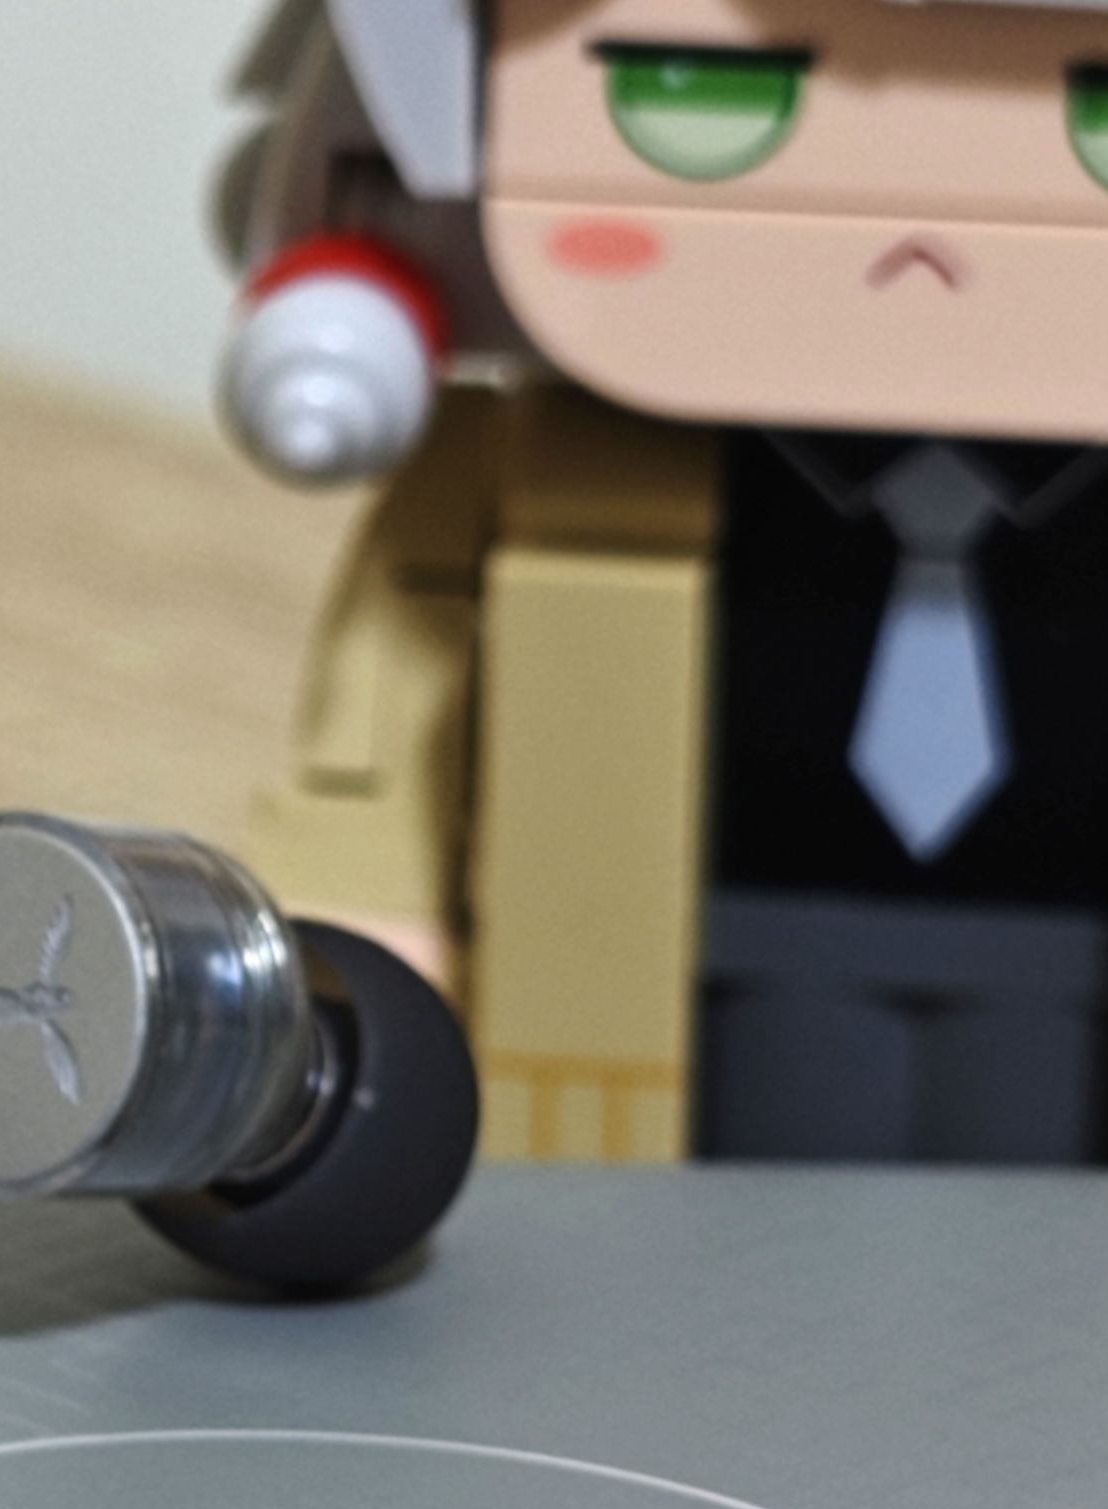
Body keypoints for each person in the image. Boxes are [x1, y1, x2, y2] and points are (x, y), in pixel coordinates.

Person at [216, 0, 1108, 1164]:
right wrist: (370, 908)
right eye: (691, 92)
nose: (924, 246)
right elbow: (395, 702)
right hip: (720, 973)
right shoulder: (562, 456)